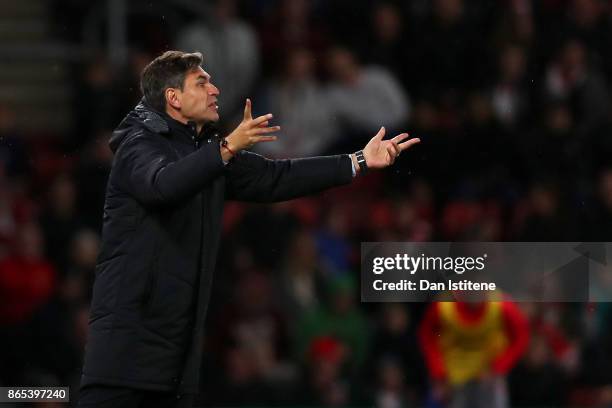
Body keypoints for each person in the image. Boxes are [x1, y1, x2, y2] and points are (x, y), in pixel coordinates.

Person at [77, 50, 420, 408]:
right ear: (173, 98)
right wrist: (225, 149)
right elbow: (162, 185)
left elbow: (276, 177)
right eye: (202, 82)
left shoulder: (207, 152)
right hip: (124, 352)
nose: (215, 90)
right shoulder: (139, 144)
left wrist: (358, 160)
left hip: (177, 358)